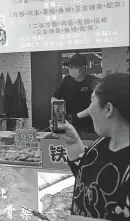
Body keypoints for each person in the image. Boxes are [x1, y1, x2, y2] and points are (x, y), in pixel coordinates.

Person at [51, 73, 129, 220]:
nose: (89, 110)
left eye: (91, 101)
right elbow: (86, 176)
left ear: (108, 109)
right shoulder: (103, 141)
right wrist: (72, 142)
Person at [52, 53, 100, 133]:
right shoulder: (67, 80)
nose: (72, 69)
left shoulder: (94, 82)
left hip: (89, 125)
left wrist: (77, 116)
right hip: (69, 123)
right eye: (70, 67)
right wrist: (59, 115)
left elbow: (97, 104)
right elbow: (55, 98)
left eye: (75, 67)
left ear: (83, 67)